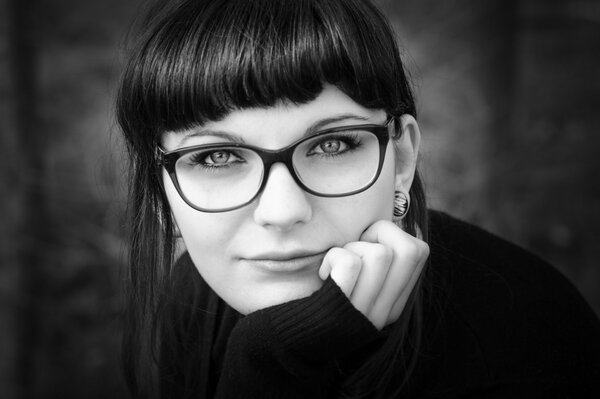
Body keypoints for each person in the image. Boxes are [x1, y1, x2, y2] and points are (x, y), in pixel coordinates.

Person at [116, 0, 600, 398]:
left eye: (331, 145)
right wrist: (269, 360)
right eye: (217, 156)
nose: (282, 212)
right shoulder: (195, 295)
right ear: (161, 189)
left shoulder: (527, 347)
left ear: (403, 156)